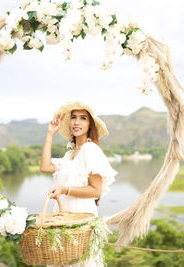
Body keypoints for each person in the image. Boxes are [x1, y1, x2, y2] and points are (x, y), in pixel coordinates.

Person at [40, 100, 118, 267]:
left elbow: (96, 191)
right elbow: (45, 166)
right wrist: (49, 134)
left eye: (83, 118)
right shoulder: (70, 154)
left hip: (81, 216)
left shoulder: (91, 150)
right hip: (63, 217)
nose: (76, 122)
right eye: (74, 117)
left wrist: (64, 189)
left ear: (90, 124)